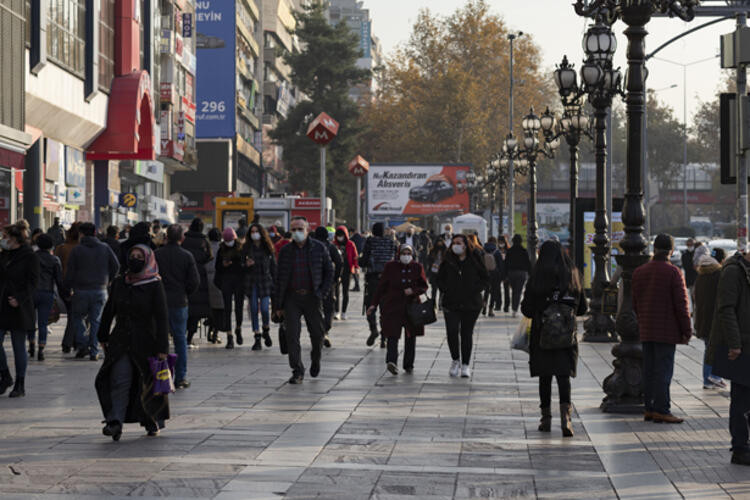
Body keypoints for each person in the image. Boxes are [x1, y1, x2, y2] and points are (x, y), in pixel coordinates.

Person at [96, 244, 170, 440]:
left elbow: (162, 317)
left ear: (147, 259)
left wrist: (163, 348)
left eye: (139, 256)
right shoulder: (121, 282)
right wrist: (102, 335)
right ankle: (115, 422)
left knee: (145, 385)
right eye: (132, 255)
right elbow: (109, 310)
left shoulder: (154, 284)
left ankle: (151, 419)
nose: (135, 259)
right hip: (121, 340)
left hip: (147, 343)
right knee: (120, 380)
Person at [521, 240, 587, 437]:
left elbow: (527, 309)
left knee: (545, 376)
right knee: (563, 376)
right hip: (567, 335)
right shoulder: (573, 275)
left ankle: (546, 418)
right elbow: (582, 308)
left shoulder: (538, 275)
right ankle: (566, 418)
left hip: (543, 333)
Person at [632, 233, 691, 424]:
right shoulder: (673, 272)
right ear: (671, 251)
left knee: (649, 370)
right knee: (663, 371)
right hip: (666, 331)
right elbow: (681, 305)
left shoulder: (639, 272)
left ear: (654, 249)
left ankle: (649, 408)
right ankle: (662, 409)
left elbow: (635, 303)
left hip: (647, 329)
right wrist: (686, 330)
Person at [273, 217, 333, 384]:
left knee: (317, 334)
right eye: (293, 229)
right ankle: (297, 369)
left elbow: (330, 272)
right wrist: (278, 305)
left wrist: (322, 293)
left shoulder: (319, 248)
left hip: (313, 297)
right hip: (292, 298)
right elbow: (279, 279)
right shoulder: (285, 251)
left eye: (300, 229)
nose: (296, 232)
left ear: (307, 230)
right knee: (292, 334)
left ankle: (316, 359)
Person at [707, 246, 750, 465]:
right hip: (741, 345)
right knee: (742, 398)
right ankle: (741, 448)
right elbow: (726, 309)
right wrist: (734, 344)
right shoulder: (734, 271)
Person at [367, 244, 427, 375]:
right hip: (393, 305)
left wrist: (414, 291)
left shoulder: (417, 267)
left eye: (408, 253)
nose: (406, 256)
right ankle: (391, 361)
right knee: (392, 334)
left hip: (411, 306)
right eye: (403, 253)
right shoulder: (390, 267)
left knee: (411, 336)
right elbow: (381, 287)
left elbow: (424, 286)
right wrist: (373, 304)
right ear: (399, 254)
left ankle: (408, 364)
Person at [64, 222, 120, 361]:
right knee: (96, 320)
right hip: (100, 290)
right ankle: (94, 350)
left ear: (81, 234)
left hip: (81, 290)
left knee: (77, 317)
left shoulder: (77, 250)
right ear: (95, 233)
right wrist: (109, 280)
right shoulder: (105, 248)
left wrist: (67, 288)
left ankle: (83, 343)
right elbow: (116, 266)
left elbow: (70, 272)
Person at [154, 225, 199, 389]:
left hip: (159, 301)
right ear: (182, 238)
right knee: (180, 339)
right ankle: (180, 377)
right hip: (179, 301)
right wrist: (185, 292)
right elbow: (194, 281)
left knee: (159, 338)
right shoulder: (187, 256)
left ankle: (158, 373)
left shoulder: (157, 255)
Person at [439, 234, 488, 378]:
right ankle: (455, 360)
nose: (456, 245)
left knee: (467, 334)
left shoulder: (475, 259)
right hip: (451, 302)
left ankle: (465, 364)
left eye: (459, 243)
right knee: (452, 332)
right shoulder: (448, 260)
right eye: (454, 243)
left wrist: (475, 289)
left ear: (466, 245)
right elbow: (439, 279)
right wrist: (446, 289)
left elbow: (485, 278)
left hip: (471, 303)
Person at [0, 223, 40, 397]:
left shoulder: (29, 256)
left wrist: (19, 298)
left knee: (18, 346)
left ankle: (20, 383)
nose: (3, 239)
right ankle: (5, 374)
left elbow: (33, 282)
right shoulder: (3, 255)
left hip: (19, 306)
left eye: (5, 236)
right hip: (1, 304)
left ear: (14, 238)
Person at [361, 222, 399, 347]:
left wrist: (360, 261)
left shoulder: (370, 242)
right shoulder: (391, 243)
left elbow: (364, 260)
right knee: (386, 310)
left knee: (371, 306)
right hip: (388, 281)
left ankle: (374, 329)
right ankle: (384, 337)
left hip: (373, 279)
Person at [694, 248, 727, 389]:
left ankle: (710, 378)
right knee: (714, 349)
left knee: (709, 348)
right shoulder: (719, 274)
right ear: (722, 260)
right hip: (714, 319)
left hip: (702, 318)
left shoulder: (701, 274)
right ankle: (712, 377)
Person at [243, 223, 277, 351]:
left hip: (265, 281)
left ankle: (266, 329)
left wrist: (276, 282)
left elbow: (273, 266)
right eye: (252, 231)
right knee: (253, 308)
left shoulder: (267, 248)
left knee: (264, 308)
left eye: (256, 231)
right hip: (252, 282)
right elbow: (241, 264)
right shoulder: (247, 248)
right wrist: (246, 264)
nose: (254, 234)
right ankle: (257, 336)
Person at [181, 218, 212, 348]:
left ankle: (182, 334)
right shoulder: (204, 241)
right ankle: (189, 337)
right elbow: (209, 256)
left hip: (185, 276)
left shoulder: (185, 240)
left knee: (185, 307)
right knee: (197, 310)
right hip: (200, 278)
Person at [32, 234, 63, 361]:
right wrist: (65, 294)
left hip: (32, 293)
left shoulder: (32, 258)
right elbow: (59, 280)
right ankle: (41, 349)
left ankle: (31, 343)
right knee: (43, 323)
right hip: (47, 293)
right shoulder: (55, 260)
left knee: (30, 320)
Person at [214, 228, 245, 349]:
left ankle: (238, 328)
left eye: (230, 240)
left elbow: (244, 267)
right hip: (226, 281)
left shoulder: (241, 249)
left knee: (239, 308)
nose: (228, 242)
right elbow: (217, 267)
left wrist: (243, 265)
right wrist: (223, 265)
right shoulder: (221, 250)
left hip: (239, 281)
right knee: (227, 309)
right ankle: (229, 336)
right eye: (226, 240)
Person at [312, 226, 343, 348]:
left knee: (315, 309)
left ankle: (319, 332)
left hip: (314, 282)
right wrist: (336, 277)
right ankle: (325, 330)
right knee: (329, 308)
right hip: (329, 282)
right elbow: (339, 262)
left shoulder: (312, 247)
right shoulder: (331, 247)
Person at [205, 228, 225, 343]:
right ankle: (215, 332)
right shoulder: (222, 248)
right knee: (219, 310)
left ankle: (210, 330)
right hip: (219, 280)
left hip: (206, 280)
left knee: (210, 308)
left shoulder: (205, 248)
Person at [334, 226, 358, 320]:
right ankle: (336, 311)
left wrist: (356, 267)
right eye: (338, 235)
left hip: (347, 270)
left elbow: (355, 256)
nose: (340, 237)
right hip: (336, 271)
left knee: (345, 292)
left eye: (342, 235)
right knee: (336, 292)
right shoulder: (334, 244)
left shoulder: (351, 244)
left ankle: (343, 312)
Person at [506, 234, 531, 317]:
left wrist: (505, 275)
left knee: (514, 291)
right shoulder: (524, 251)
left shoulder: (510, 251)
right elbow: (528, 263)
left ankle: (514, 307)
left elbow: (505, 263)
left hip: (511, 273)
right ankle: (515, 309)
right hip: (521, 273)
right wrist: (530, 274)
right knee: (518, 291)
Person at [482, 237, 505, 317]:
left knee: (486, 291)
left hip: (485, 274)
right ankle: (490, 310)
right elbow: (501, 265)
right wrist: (502, 276)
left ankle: (484, 305)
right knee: (493, 292)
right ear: (495, 242)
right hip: (495, 274)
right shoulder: (497, 252)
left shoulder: (483, 251)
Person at [427, 239, 447, 308]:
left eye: (441, 243)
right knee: (434, 289)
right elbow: (429, 261)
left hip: (443, 273)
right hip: (434, 271)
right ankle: (433, 302)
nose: (439, 244)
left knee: (442, 289)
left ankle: (441, 303)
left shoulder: (446, 252)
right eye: (438, 243)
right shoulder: (432, 251)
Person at [498, 236, 511, 312]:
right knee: (497, 290)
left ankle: (506, 306)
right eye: (499, 242)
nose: (500, 244)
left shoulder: (508, 251)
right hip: (498, 272)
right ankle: (498, 304)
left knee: (507, 290)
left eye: (502, 242)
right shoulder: (497, 251)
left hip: (506, 272)